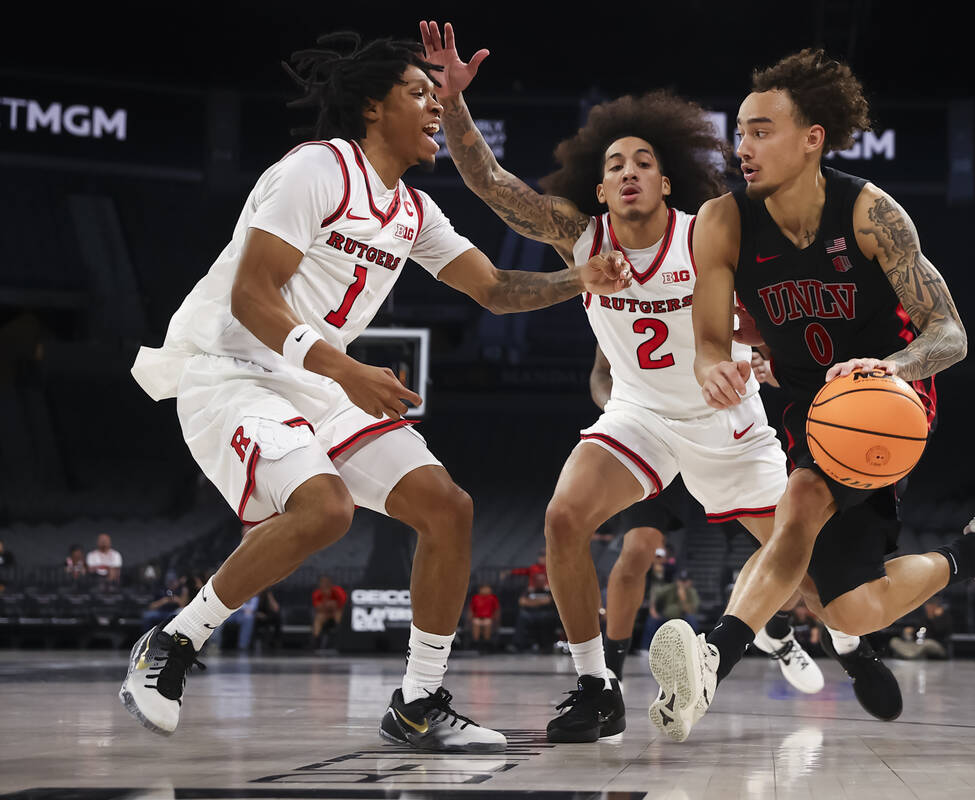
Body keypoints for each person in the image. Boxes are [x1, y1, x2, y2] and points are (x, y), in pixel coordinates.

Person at [120, 30, 630, 750]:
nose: (432, 109)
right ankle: (172, 643)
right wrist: (346, 370)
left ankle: (418, 703)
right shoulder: (317, 170)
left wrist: (582, 278)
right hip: (234, 370)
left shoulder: (413, 212)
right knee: (325, 509)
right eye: (417, 94)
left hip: (319, 382)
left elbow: (490, 287)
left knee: (447, 509)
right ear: (370, 107)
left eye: (434, 95)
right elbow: (252, 296)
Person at [422, 21, 826, 744]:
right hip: (638, 413)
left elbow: (773, 317)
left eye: (643, 160)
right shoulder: (582, 241)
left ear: (666, 183)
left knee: (813, 574)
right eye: (615, 164)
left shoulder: (709, 230)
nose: (629, 169)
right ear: (602, 189)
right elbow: (487, 182)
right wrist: (453, 102)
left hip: (722, 417)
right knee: (563, 518)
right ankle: (596, 686)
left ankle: (794, 629)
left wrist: (761, 356)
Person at [648, 49, 975, 742]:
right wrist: (712, 367)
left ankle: (713, 660)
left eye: (760, 130)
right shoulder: (721, 222)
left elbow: (950, 332)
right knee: (850, 610)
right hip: (798, 401)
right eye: (740, 131)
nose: (741, 147)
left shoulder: (871, 213)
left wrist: (891, 367)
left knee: (803, 504)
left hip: (883, 401)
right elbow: (712, 340)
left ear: (812, 137)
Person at [592, 352, 820, 693]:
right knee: (638, 549)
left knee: (790, 550)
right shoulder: (612, 299)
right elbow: (600, 374)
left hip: (719, 433)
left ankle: (777, 631)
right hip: (652, 434)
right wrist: (622, 408)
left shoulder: (723, 301)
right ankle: (611, 670)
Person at [888, 595, 952, 660]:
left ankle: (910, 655)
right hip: (918, 644)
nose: (929, 608)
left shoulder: (943, 618)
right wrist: (910, 631)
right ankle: (913, 654)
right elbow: (916, 632)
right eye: (927, 605)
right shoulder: (923, 619)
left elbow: (941, 632)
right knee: (894, 641)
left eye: (932, 605)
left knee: (928, 643)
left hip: (935, 644)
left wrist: (937, 618)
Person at [511, 573, 559, 652]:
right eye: (538, 580)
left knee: (547, 618)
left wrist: (531, 602)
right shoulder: (528, 590)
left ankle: (546, 645)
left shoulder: (548, 590)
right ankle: (519, 645)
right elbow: (522, 602)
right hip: (530, 614)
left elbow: (548, 601)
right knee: (522, 616)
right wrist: (539, 602)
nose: (539, 582)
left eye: (541, 580)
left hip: (545, 614)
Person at [311, 575, 348, 648]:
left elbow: (343, 604)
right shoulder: (317, 593)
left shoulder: (338, 590)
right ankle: (316, 641)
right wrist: (326, 601)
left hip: (336, 612)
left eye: (326, 582)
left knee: (339, 616)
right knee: (318, 618)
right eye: (322, 582)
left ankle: (342, 639)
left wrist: (333, 604)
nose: (324, 584)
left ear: (330, 583)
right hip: (325, 614)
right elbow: (318, 608)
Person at [468, 583, 501, 651]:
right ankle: (476, 643)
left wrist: (496, 618)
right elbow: (471, 609)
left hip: (488, 618)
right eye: (484, 588)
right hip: (477, 617)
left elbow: (497, 609)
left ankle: (486, 643)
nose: (486, 590)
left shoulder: (492, 598)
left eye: (487, 588)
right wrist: (469, 618)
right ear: (480, 589)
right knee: (476, 622)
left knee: (487, 623)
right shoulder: (476, 597)